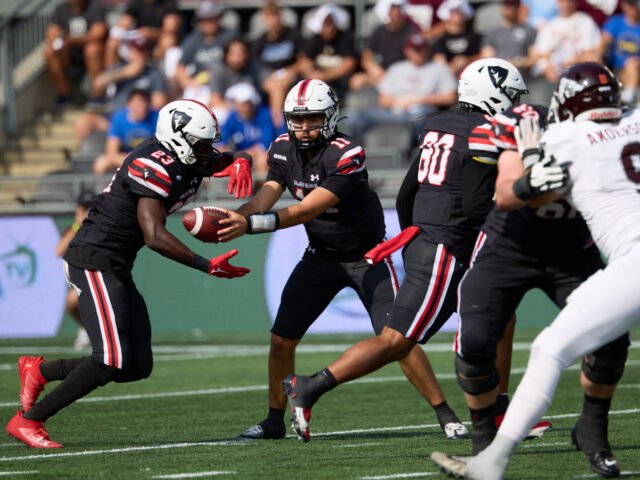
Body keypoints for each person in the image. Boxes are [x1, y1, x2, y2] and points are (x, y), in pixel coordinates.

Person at [279, 59, 529, 443]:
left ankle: (497, 410)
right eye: (510, 96)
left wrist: (414, 228)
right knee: (397, 340)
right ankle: (311, 386)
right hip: (447, 243)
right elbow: (477, 204)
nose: (513, 104)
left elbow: (409, 187)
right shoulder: (482, 131)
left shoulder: (439, 124)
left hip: (437, 238)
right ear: (493, 93)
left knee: (501, 318)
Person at [218, 79, 467, 442]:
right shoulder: (282, 149)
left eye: (312, 119)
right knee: (281, 340)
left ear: (331, 117)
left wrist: (250, 225)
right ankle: (274, 420)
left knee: (397, 338)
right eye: (297, 120)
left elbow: (305, 210)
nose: (303, 127)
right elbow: (262, 200)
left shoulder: (346, 152)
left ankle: (445, 414)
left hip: (366, 257)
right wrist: (231, 220)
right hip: (320, 257)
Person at [5, 99, 253, 449]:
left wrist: (243, 160)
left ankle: (40, 371)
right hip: (94, 258)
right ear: (180, 138)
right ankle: (28, 421)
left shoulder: (187, 152)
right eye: (201, 143)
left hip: (117, 264)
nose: (207, 150)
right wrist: (205, 264)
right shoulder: (151, 163)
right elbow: (153, 236)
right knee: (110, 359)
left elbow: (225, 157)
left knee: (135, 365)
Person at [430, 62, 637, 479]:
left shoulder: (598, 134)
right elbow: (506, 194)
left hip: (571, 246)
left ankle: (593, 429)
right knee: (474, 342)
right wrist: (529, 183)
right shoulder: (531, 123)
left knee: (611, 343)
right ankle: (484, 439)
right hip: (511, 244)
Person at [345, 33, 458, 147]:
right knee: (355, 117)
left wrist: (417, 100)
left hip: (423, 112)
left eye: (421, 49)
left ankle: (414, 156)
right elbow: (383, 100)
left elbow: (451, 97)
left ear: (427, 49)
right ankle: (358, 153)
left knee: (419, 117)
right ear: (406, 50)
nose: (418, 53)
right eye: (415, 49)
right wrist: (398, 102)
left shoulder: (439, 68)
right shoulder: (396, 68)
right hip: (394, 111)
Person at [45, 0, 108, 108]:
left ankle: (99, 96)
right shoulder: (61, 9)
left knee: (92, 49)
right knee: (49, 52)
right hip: (68, 55)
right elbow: (51, 34)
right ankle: (64, 96)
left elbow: (99, 34)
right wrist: (62, 40)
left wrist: (72, 40)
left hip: (95, 56)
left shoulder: (95, 7)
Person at [253, 1, 306, 128]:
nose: (273, 20)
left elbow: (304, 61)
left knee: (278, 85)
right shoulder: (260, 41)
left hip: (290, 75)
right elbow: (255, 66)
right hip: (268, 77)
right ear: (264, 18)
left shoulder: (293, 35)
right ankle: (278, 126)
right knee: (275, 85)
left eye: (276, 15)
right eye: (269, 16)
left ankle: (277, 127)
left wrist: (291, 70)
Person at [55, 189, 97, 351]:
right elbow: (59, 250)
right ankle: (86, 329)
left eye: (90, 207)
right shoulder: (73, 228)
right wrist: (77, 225)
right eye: (84, 207)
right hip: (82, 280)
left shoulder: (101, 226)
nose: (87, 211)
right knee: (72, 299)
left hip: (102, 275)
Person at [349, 0, 421, 92]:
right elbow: (367, 55)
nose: (396, 13)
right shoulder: (379, 30)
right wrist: (372, 67)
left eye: (398, 9)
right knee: (357, 80)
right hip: (383, 77)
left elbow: (417, 59)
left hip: (405, 78)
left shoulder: (412, 31)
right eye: (392, 9)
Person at [174, 0, 236, 105]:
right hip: (200, 86)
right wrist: (188, 83)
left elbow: (236, 62)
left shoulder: (230, 37)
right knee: (190, 106)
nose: (209, 23)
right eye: (204, 19)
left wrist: (205, 76)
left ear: (219, 18)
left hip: (227, 82)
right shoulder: (192, 39)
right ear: (199, 21)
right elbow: (181, 66)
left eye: (212, 18)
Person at [219, 82, 281, 177]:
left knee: (262, 160)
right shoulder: (233, 117)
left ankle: (261, 190)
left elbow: (264, 147)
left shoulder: (265, 115)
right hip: (242, 157)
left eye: (247, 103)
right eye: (241, 103)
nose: (245, 107)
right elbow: (221, 143)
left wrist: (238, 156)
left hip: (263, 157)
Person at [93, 88, 159, 175]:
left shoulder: (157, 117)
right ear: (128, 104)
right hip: (127, 157)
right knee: (101, 164)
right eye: (137, 104)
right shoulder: (119, 118)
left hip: (152, 157)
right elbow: (112, 152)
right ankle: (106, 187)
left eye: (143, 104)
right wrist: (131, 161)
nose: (140, 108)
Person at [298, 4, 358, 99]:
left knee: (356, 81)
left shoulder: (345, 39)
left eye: (331, 22)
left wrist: (326, 76)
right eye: (326, 23)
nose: (329, 27)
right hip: (317, 82)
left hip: (340, 81)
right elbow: (304, 61)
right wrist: (312, 74)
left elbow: (350, 63)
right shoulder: (313, 40)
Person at [208, 37, 271, 125]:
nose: (237, 59)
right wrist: (238, 110)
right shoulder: (219, 70)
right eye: (233, 54)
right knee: (218, 114)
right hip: (229, 111)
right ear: (226, 55)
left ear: (247, 54)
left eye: (240, 54)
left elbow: (271, 84)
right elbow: (214, 100)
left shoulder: (255, 67)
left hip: (254, 111)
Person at [105, 0, 181, 67]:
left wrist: (151, 33)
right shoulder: (136, 2)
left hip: (157, 46)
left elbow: (171, 30)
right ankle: (112, 78)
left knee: (169, 40)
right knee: (112, 43)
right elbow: (122, 25)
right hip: (138, 46)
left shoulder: (168, 3)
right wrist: (121, 34)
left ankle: (170, 79)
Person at [479, 0, 537, 76]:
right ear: (502, 7)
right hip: (499, 75)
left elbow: (534, 59)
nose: (511, 9)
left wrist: (518, 62)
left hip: (521, 76)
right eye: (508, 5)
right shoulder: (493, 32)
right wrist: (503, 64)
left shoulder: (529, 30)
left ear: (519, 8)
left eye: (514, 6)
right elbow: (486, 57)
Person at [601, 0, 640, 105]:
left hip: (636, 69)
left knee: (633, 64)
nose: (634, 8)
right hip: (617, 71)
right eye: (630, 5)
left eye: (636, 5)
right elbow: (603, 44)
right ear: (623, 6)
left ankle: (628, 100)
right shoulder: (615, 22)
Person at [432, 0, 482, 76]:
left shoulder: (475, 36)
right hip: (449, 75)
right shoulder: (442, 39)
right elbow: (439, 60)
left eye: (461, 11)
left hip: (471, 71)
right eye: (454, 11)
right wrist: (452, 66)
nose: (459, 14)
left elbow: (483, 56)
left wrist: (467, 60)